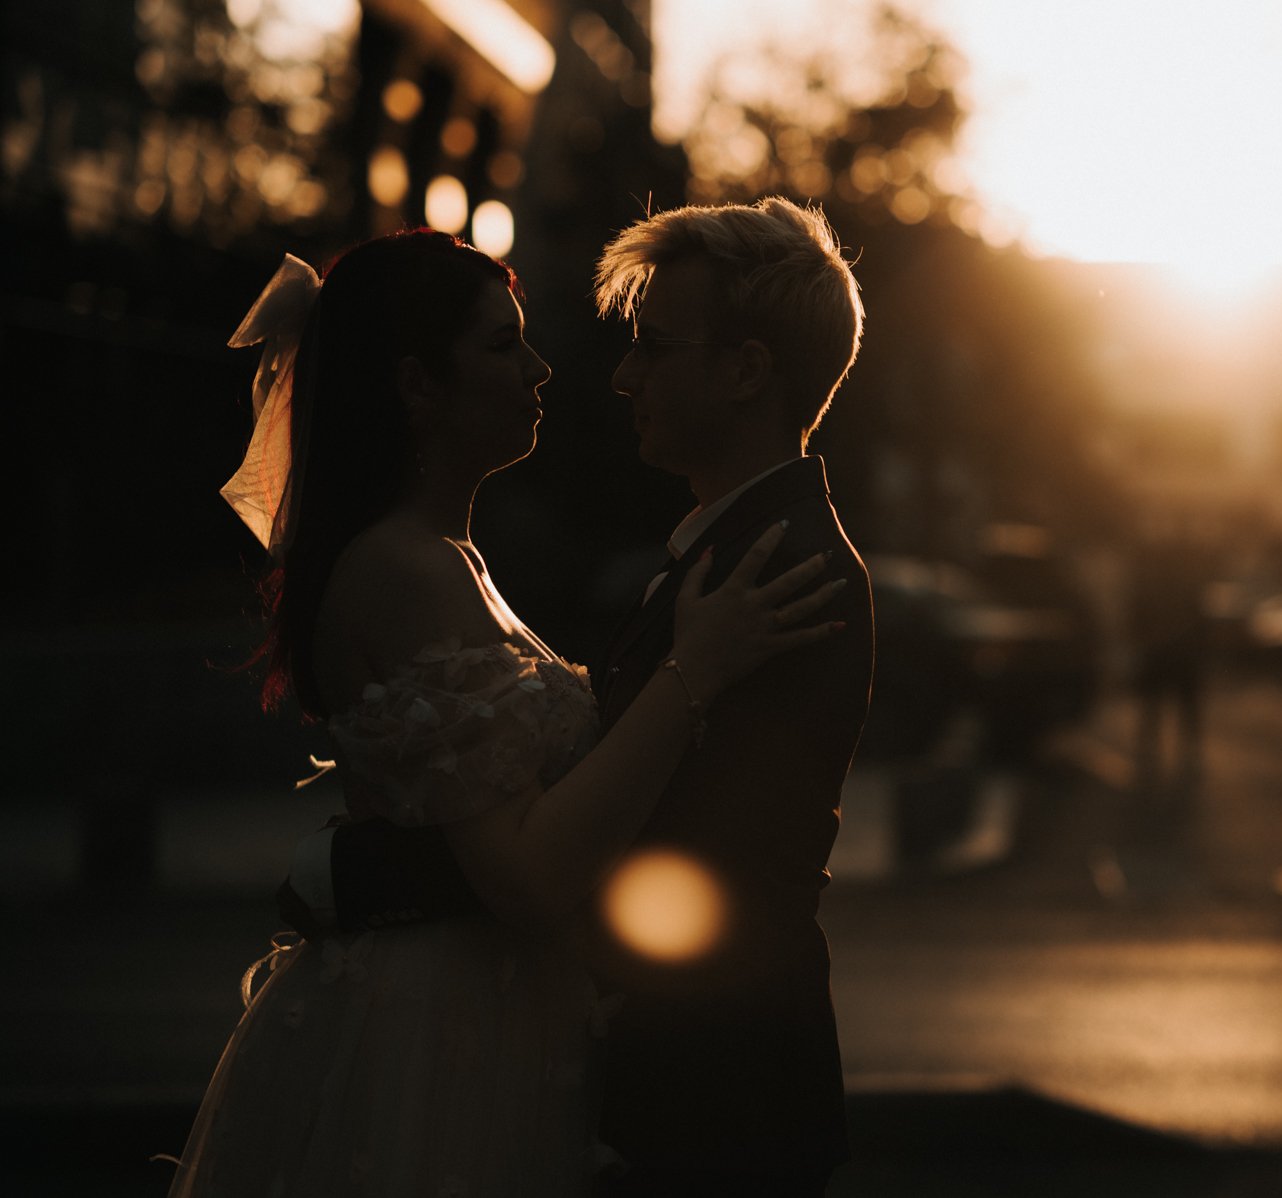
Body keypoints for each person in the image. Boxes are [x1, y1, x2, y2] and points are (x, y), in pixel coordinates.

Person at [169, 229, 846, 1197]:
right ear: (416, 385)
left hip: (499, 1013)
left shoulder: (456, 561)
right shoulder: (403, 568)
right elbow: (528, 877)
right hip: (437, 1031)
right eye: (501, 346)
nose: (541, 369)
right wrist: (692, 670)